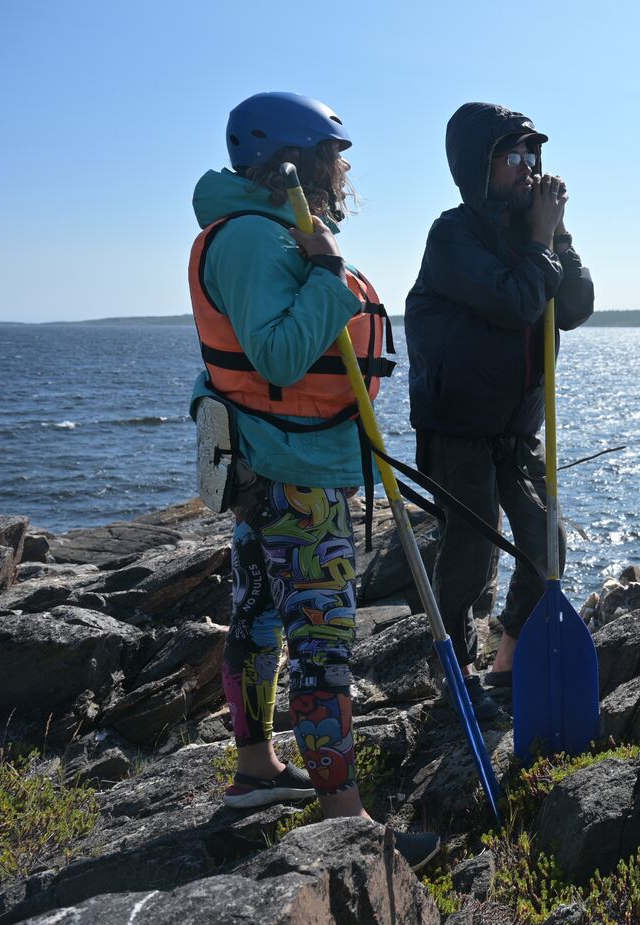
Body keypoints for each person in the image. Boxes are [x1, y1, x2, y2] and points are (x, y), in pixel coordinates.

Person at [189, 91, 437, 868]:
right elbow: (278, 356)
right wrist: (329, 274)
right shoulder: (257, 243)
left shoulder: (250, 232)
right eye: (334, 155)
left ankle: (258, 771)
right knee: (322, 642)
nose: (343, 170)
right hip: (295, 478)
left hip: (272, 468)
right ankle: (346, 817)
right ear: (291, 163)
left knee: (259, 618)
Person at [404, 103, 594, 719]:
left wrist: (557, 236)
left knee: (547, 544)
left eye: (531, 157)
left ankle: (507, 659)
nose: (527, 169)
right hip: (458, 428)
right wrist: (541, 242)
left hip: (515, 431)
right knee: (469, 549)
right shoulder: (453, 235)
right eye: (511, 157)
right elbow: (513, 303)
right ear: (477, 167)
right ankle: (452, 671)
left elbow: (575, 306)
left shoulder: (529, 235)